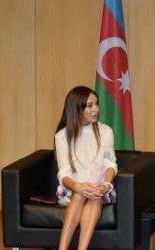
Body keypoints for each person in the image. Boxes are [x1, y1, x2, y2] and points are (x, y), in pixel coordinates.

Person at [54, 86, 117, 250]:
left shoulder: (105, 131)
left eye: (96, 104)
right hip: (72, 190)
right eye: (90, 105)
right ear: (77, 108)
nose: (96, 109)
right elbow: (64, 173)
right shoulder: (62, 136)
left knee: (94, 193)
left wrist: (106, 185)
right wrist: (77, 186)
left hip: (100, 190)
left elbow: (110, 164)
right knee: (80, 193)